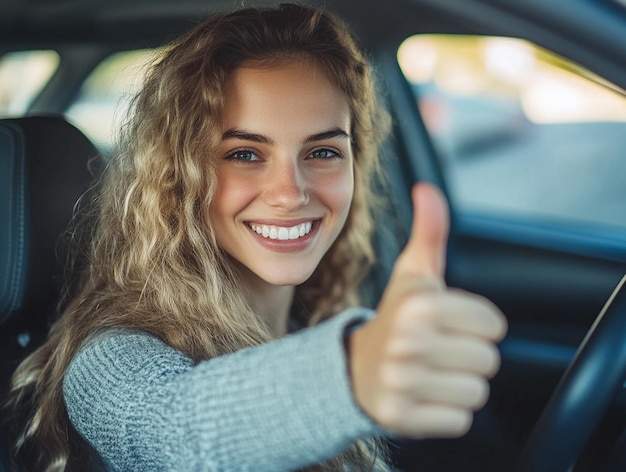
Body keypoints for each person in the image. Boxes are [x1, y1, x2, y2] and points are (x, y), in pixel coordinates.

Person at [6, 4, 507, 471]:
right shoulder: (108, 359)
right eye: (244, 154)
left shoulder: (317, 315)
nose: (290, 194)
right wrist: (353, 375)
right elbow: (178, 432)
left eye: (323, 152)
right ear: (177, 176)